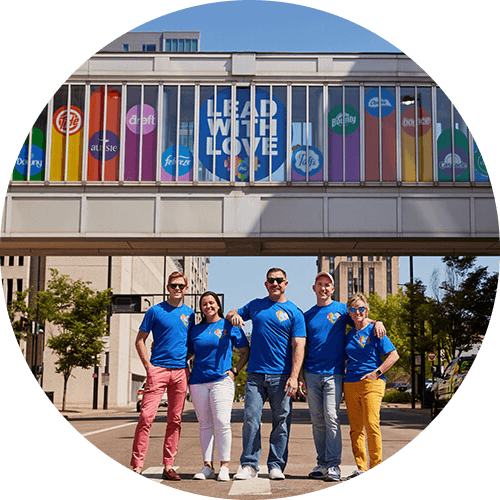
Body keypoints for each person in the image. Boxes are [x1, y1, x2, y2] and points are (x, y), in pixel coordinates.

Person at [301, 272, 386, 482]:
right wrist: (300, 375)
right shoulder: (307, 315)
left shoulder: (341, 310)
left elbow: (361, 317)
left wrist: (377, 322)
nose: (323, 288)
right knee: (317, 421)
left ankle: (333, 465)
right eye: (319, 284)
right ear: (314, 288)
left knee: (331, 417)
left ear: (333, 289)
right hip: (311, 374)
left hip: (334, 374)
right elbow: (301, 346)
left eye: (327, 285)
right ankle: (321, 463)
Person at [227, 268, 307, 481]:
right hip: (255, 376)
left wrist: (294, 376)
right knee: (251, 419)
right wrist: (234, 316)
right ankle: (249, 465)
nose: (275, 283)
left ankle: (276, 465)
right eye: (271, 280)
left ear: (286, 283)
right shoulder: (255, 305)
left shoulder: (294, 312)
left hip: (281, 377)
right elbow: (231, 313)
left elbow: (299, 345)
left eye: (279, 280)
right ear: (266, 284)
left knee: (281, 421)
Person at [130, 271, 195, 480]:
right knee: (146, 417)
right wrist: (148, 366)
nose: (177, 289)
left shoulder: (190, 314)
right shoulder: (155, 311)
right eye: (174, 286)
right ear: (168, 288)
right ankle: (137, 465)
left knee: (175, 420)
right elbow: (140, 340)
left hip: (180, 372)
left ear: (186, 289)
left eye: (181, 286)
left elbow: (193, 344)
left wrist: (186, 358)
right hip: (157, 369)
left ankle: (169, 466)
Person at [188, 291, 250, 481]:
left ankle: (224, 465)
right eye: (204, 304)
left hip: (221, 380)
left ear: (218, 305)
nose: (208, 306)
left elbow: (245, 351)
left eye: (212, 303)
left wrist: (235, 370)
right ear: (201, 308)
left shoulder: (228, 325)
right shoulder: (195, 330)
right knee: (205, 425)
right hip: (198, 381)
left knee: (222, 422)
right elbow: (187, 354)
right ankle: (207, 466)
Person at [343, 292, 399, 478]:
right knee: (355, 428)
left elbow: (393, 355)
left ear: (366, 310)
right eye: (353, 309)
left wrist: (377, 373)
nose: (357, 312)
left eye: (361, 308)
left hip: (372, 383)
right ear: (349, 312)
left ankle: (375, 465)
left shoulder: (376, 331)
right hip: (350, 383)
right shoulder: (349, 334)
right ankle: (361, 468)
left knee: (372, 424)